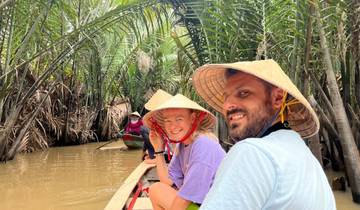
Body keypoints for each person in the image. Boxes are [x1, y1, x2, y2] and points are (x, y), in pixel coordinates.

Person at [192, 59, 336, 210]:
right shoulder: (306, 158)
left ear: (277, 98)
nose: (227, 105)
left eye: (243, 93)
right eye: (226, 97)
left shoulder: (252, 151)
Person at [143, 94, 226, 210]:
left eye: (179, 119)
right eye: (168, 121)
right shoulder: (182, 145)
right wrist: (158, 149)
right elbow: (167, 181)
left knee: (159, 190)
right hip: (201, 205)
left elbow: (183, 201)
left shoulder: (203, 144)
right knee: (156, 189)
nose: (173, 127)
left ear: (192, 118)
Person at [142, 89, 173, 164]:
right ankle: (152, 155)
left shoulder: (171, 126)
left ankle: (153, 156)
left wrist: (157, 158)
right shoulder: (161, 126)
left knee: (144, 130)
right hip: (166, 154)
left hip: (169, 156)